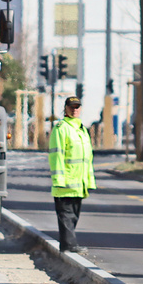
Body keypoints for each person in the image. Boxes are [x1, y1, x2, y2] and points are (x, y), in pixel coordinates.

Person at [49, 95, 95, 253]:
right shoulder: (61, 128)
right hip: (65, 182)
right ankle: (69, 246)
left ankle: (68, 245)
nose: (74, 109)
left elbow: (87, 159)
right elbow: (57, 156)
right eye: (71, 107)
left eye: (77, 107)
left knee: (73, 216)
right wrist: (59, 179)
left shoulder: (82, 130)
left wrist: (89, 181)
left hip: (78, 184)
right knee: (67, 216)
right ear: (65, 109)